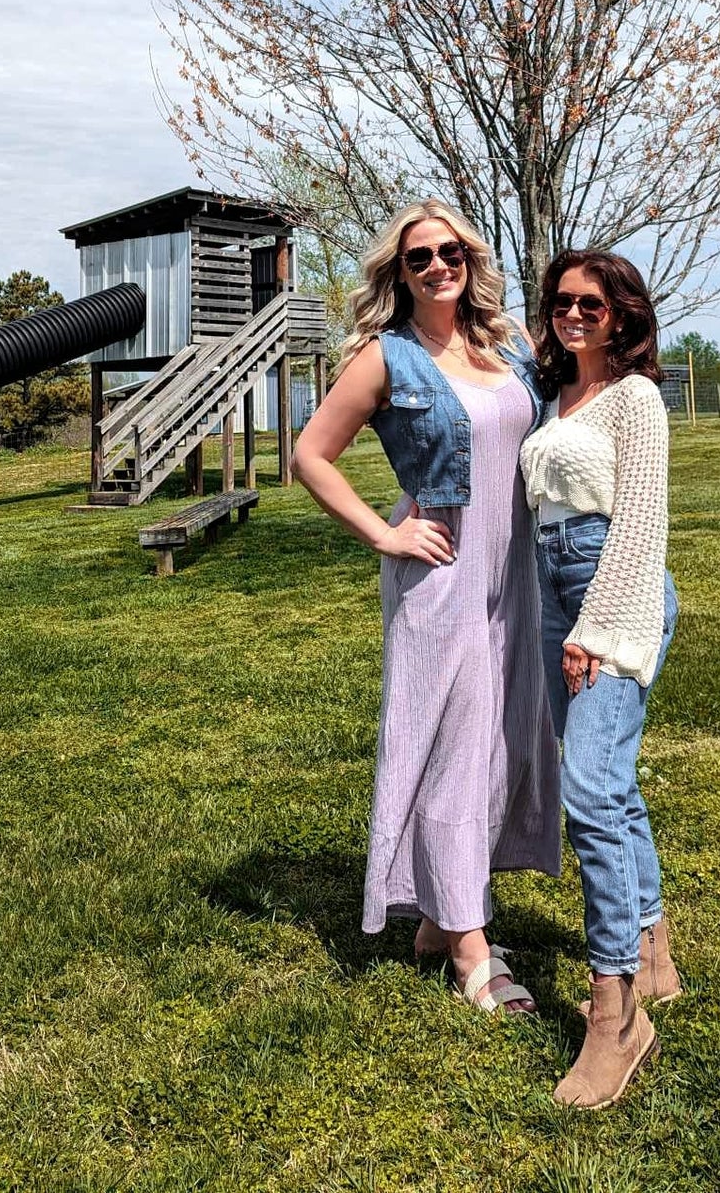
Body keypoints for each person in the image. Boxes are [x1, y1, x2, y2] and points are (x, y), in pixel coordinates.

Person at [291, 200, 561, 1012]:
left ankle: (437, 922)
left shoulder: (502, 347)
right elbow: (310, 453)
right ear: (398, 274)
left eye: (449, 251)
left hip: (514, 570)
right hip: (440, 571)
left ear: (469, 259)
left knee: (500, 745)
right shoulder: (386, 357)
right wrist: (385, 532)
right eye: (419, 258)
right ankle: (471, 946)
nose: (437, 265)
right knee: (451, 746)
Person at [518, 249, 680, 1107]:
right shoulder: (554, 395)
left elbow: (641, 525)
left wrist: (595, 627)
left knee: (585, 789)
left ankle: (616, 1013)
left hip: (608, 587)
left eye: (590, 302)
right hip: (553, 587)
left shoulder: (636, 398)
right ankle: (654, 951)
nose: (571, 313)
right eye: (560, 300)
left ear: (621, 315)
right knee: (607, 781)